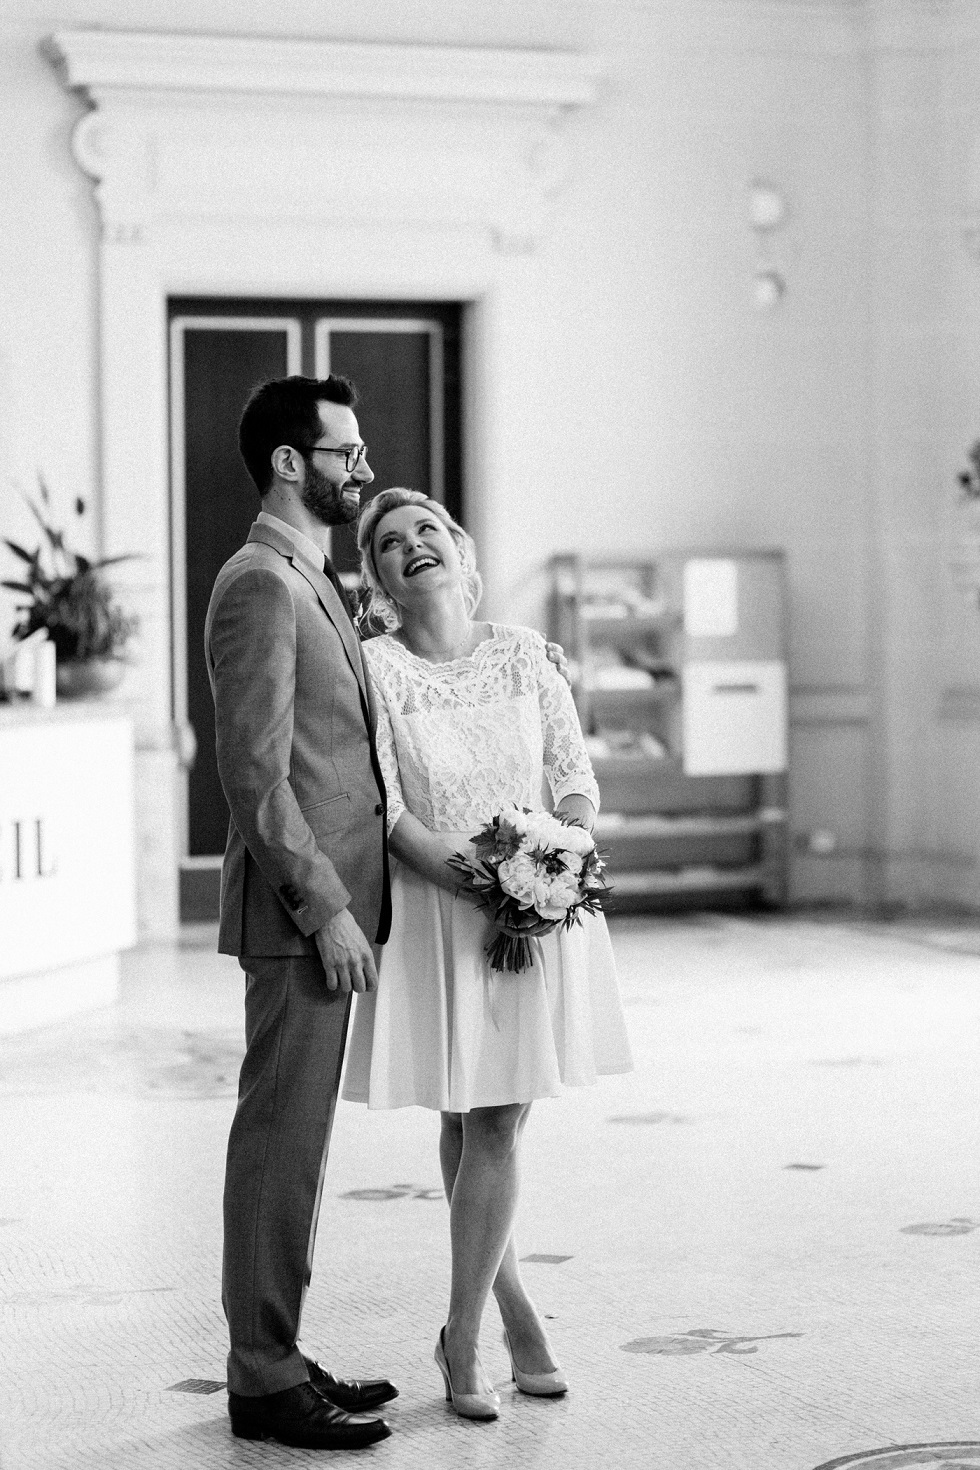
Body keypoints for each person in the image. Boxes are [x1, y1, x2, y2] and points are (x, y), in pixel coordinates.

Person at [342, 488, 633, 1422]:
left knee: (496, 1123)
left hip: (535, 911)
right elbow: (389, 810)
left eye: (427, 529)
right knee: (470, 1118)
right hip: (441, 908)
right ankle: (501, 1320)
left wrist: (550, 865)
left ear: (459, 550)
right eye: (390, 543)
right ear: (379, 579)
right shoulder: (375, 670)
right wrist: (485, 885)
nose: (413, 545)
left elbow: (575, 779)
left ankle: (467, 1330)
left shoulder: (524, 653)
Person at [205, 374, 395, 1451]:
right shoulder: (261, 585)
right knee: (278, 1144)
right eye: (343, 452)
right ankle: (263, 1378)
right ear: (289, 462)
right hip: (296, 913)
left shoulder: (307, 575)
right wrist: (324, 907)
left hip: (327, 905)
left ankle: (274, 1346)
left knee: (299, 1144)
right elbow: (254, 774)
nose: (360, 469)